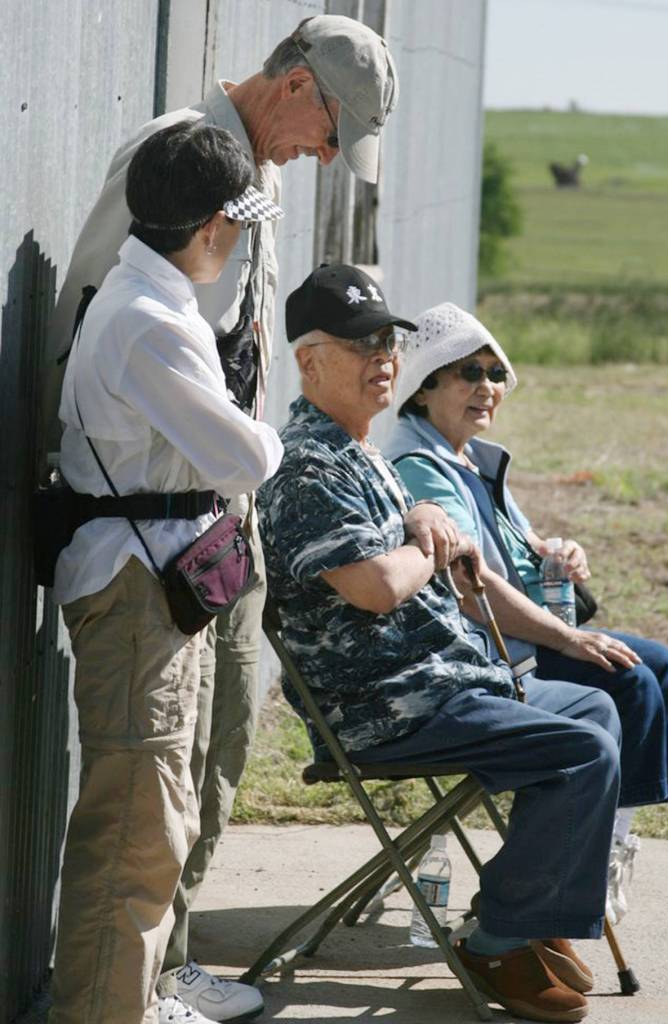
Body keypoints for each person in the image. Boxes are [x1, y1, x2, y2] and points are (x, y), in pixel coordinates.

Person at [43, 15, 399, 1021]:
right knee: (146, 788)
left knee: (216, 747)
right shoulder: (179, 160)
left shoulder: (260, 181)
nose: (321, 159)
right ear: (294, 87)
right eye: (328, 135)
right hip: (152, 515)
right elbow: (86, 310)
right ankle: (124, 988)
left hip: (214, 516)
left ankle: (163, 966)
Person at [257, 263, 626, 1024]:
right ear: (309, 360)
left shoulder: (357, 451)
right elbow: (374, 587)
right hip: (384, 704)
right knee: (581, 751)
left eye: (388, 341)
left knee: (594, 708)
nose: (383, 358)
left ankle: (534, 911)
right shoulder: (306, 465)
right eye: (361, 346)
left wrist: (420, 508)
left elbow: (403, 543)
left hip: (436, 679)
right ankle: (496, 938)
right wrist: (428, 538)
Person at [49, 122, 283, 1024]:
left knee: (153, 819)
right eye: (236, 224)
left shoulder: (154, 301)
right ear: (214, 226)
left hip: (150, 590)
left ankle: (128, 1002)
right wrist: (255, 425)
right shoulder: (152, 323)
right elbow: (248, 458)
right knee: (134, 837)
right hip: (138, 594)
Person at [387, 301, 668, 924]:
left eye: (495, 374)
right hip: (489, 651)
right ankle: (584, 858)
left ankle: (607, 850)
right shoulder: (423, 468)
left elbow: (511, 553)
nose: (487, 387)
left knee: (662, 668)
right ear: (424, 389)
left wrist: (555, 552)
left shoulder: (470, 458)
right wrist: (572, 640)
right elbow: (474, 588)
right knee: (630, 678)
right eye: (468, 371)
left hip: (521, 634)